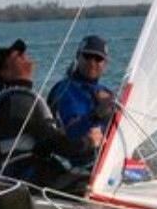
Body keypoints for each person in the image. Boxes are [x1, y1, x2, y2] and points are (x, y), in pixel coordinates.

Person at [0, 38, 102, 191]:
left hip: (16, 176)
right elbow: (58, 143)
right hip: (29, 177)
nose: (22, 54)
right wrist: (90, 141)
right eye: (16, 55)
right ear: (4, 72)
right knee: (96, 182)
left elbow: (46, 143)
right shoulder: (19, 100)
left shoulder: (5, 99)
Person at [47, 35, 115, 168]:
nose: (92, 62)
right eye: (87, 56)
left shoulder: (106, 92)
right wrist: (96, 114)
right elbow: (69, 132)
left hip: (108, 162)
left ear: (105, 64)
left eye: (98, 58)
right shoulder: (64, 90)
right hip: (79, 165)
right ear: (78, 57)